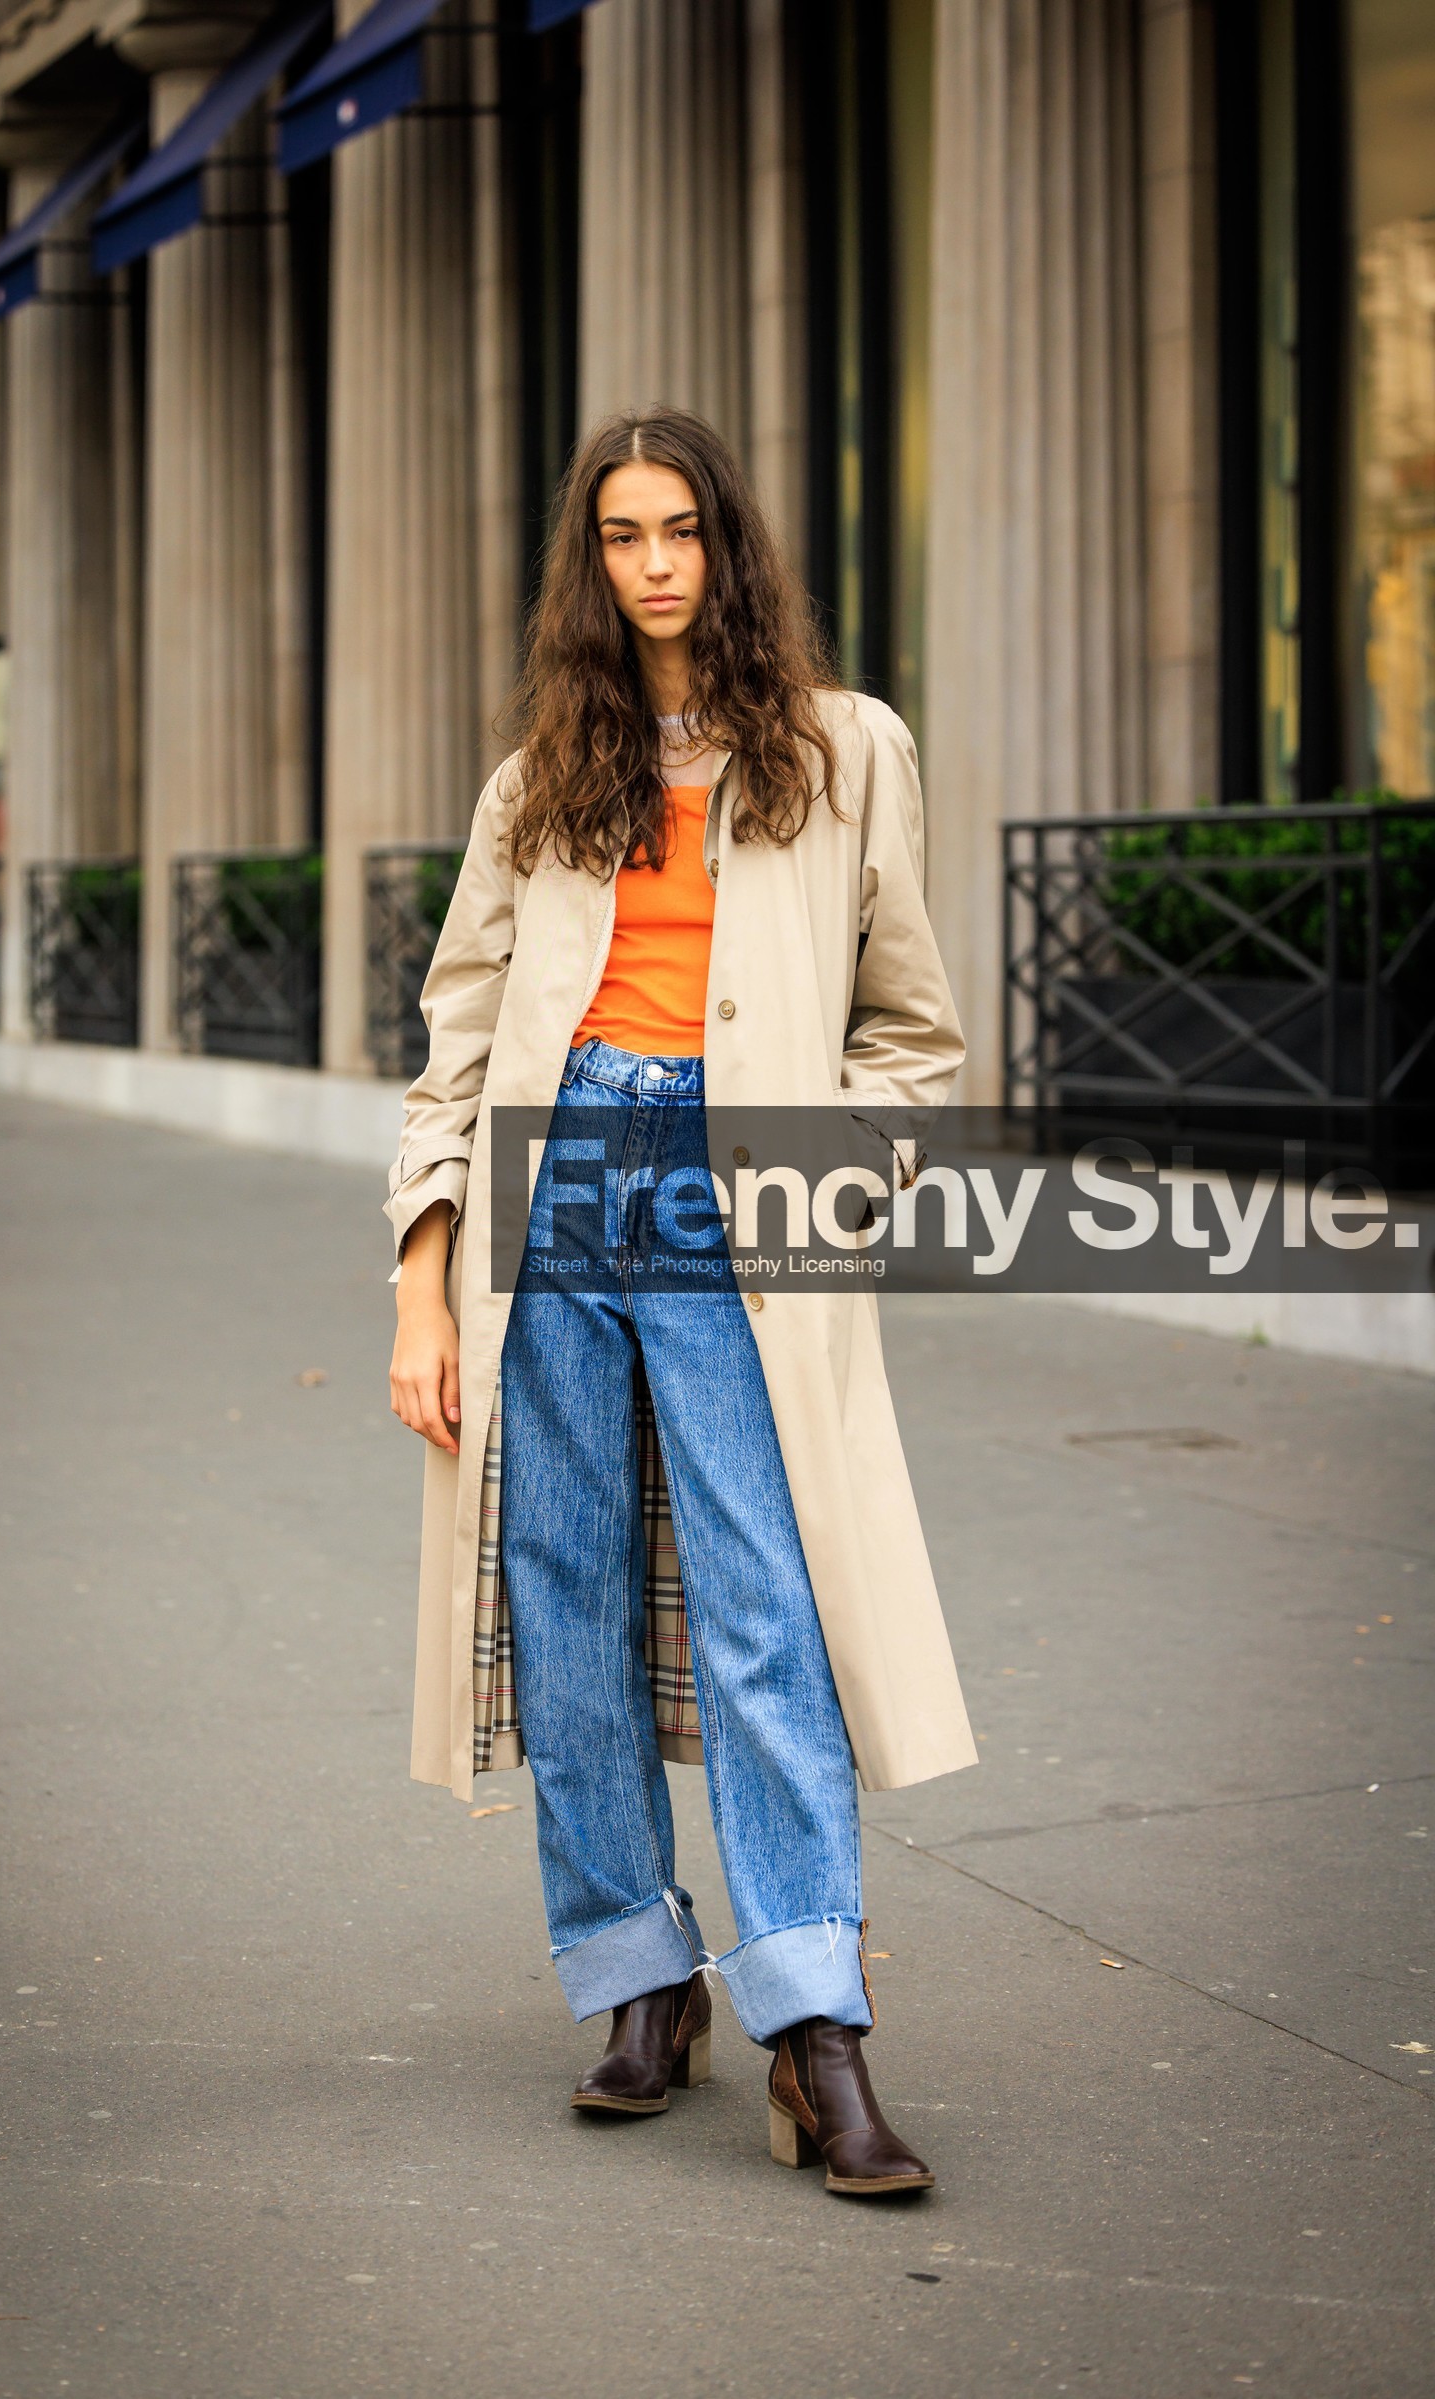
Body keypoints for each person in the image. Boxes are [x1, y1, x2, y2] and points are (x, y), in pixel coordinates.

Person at [387, 406, 976, 2197]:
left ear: (730, 544)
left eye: (683, 530)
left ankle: (817, 2030)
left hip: (738, 1207)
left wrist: (820, 1186)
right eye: (622, 536)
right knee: (562, 1598)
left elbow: (913, 1035)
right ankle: (639, 1977)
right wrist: (422, 1286)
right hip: (549, 1194)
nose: (656, 565)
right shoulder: (538, 782)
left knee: (761, 1611)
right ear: (592, 563)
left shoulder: (845, 750)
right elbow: (455, 1042)